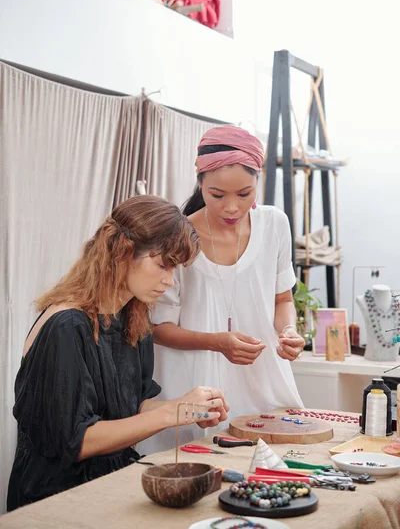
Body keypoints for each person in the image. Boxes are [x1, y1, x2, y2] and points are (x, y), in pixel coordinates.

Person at [7, 196, 229, 511]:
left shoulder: (132, 319)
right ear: (123, 252)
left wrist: (191, 409)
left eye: (175, 268)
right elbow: (77, 441)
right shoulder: (66, 326)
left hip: (110, 485)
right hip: (54, 500)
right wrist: (171, 413)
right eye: (162, 264)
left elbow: (132, 405)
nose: (169, 280)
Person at [149, 126, 304, 450]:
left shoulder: (275, 224)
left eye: (245, 194)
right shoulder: (177, 236)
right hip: (197, 394)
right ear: (200, 179)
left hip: (264, 384)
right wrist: (217, 342)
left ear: (258, 180)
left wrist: (288, 330)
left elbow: (282, 299)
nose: (232, 208)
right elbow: (159, 329)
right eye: (218, 195)